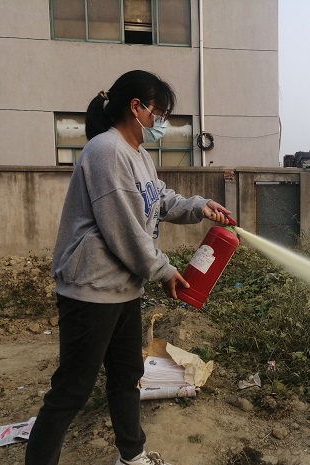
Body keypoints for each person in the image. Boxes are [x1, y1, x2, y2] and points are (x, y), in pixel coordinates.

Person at [25, 70, 231, 465]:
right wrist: (164, 270)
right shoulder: (106, 151)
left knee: (127, 376)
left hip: (123, 288)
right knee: (73, 388)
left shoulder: (138, 155)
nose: (162, 123)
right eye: (159, 113)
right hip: (91, 290)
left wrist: (199, 206)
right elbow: (125, 229)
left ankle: (131, 457)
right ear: (135, 107)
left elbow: (159, 199)